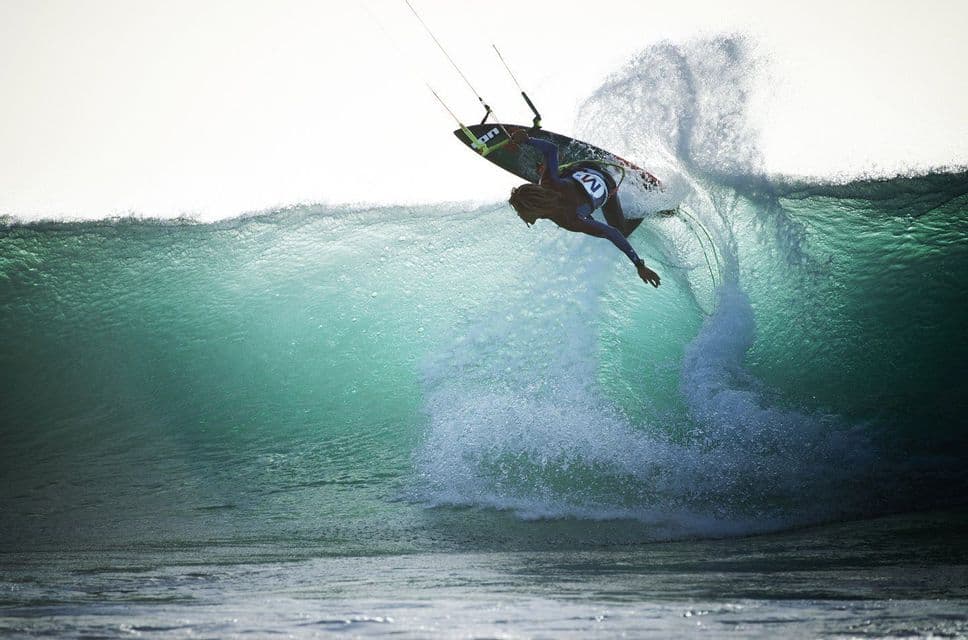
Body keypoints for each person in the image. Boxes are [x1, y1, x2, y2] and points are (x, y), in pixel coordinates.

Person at [507, 129, 661, 288]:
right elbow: (551, 149)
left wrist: (639, 265)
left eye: (520, 212)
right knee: (558, 178)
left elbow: (612, 233)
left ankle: (647, 208)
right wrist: (527, 140)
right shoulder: (546, 182)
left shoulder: (571, 220)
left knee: (621, 231)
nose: (520, 216)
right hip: (585, 167)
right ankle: (550, 166)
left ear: (533, 207)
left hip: (608, 185)